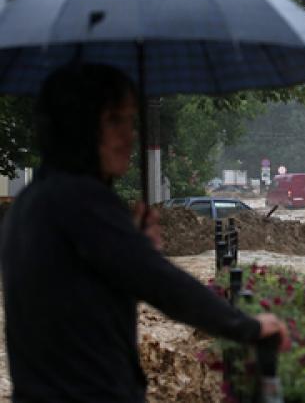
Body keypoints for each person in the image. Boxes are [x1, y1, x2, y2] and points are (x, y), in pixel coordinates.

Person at [0, 64, 290, 402]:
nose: (129, 135)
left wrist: (133, 245)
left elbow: (83, 299)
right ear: (76, 126)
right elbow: (163, 284)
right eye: (114, 120)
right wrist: (249, 327)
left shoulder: (32, 202)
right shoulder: (82, 201)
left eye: (130, 120)